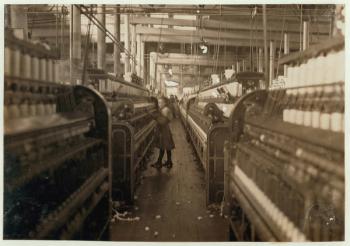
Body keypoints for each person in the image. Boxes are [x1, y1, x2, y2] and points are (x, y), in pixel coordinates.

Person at [150, 96, 175, 169]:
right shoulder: (164, 109)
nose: (159, 104)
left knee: (163, 147)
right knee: (167, 147)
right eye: (158, 103)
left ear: (164, 103)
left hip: (164, 131)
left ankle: (159, 162)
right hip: (165, 130)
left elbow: (162, 121)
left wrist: (153, 116)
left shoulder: (165, 110)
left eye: (160, 102)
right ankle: (169, 162)